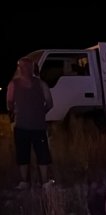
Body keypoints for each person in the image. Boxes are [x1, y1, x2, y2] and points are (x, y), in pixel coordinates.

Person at [6, 57, 55, 189]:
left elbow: (50, 103)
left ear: (32, 68)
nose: (24, 69)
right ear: (18, 68)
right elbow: (9, 103)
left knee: (43, 155)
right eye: (21, 67)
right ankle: (24, 182)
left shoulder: (41, 84)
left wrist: (39, 114)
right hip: (21, 126)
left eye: (27, 67)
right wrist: (15, 112)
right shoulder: (13, 84)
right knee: (22, 155)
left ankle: (45, 182)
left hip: (38, 127)